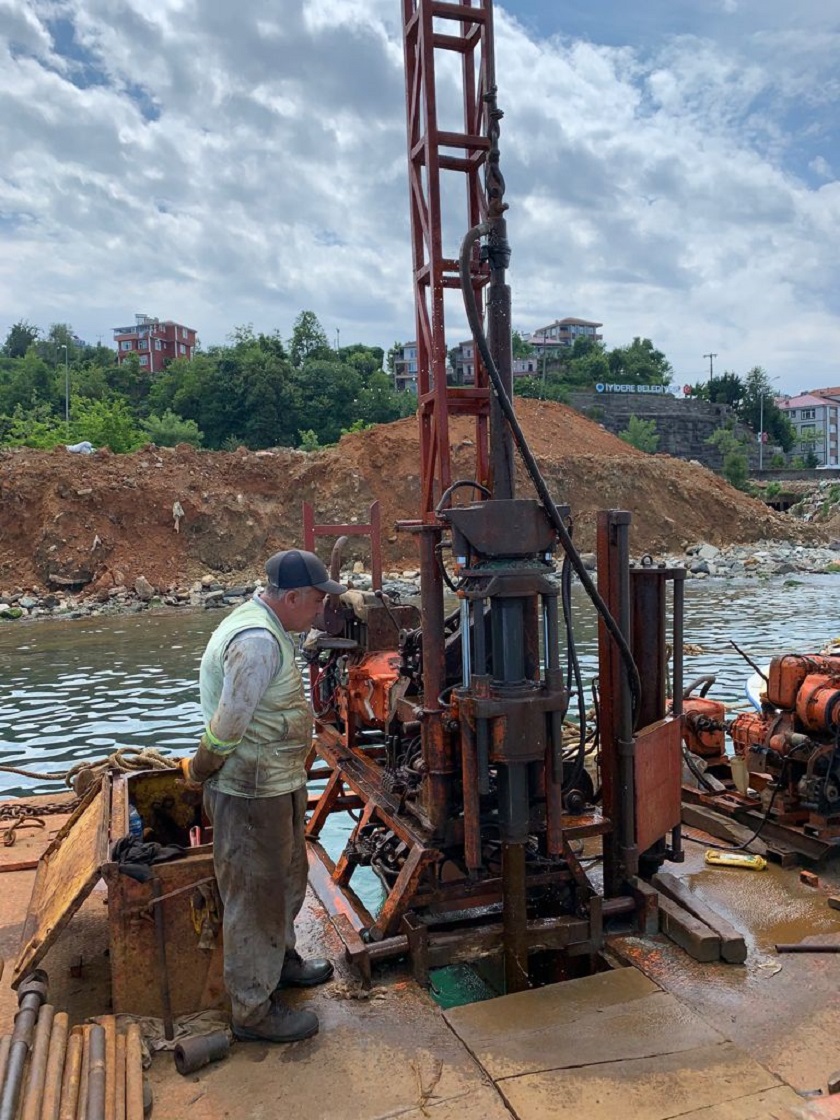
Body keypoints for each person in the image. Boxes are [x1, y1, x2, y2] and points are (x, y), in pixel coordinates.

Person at [181, 549, 346, 1043]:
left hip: (275, 784)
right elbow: (228, 726)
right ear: (291, 597)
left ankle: (281, 962)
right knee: (255, 897)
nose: (320, 612)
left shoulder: (270, 628)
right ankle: (252, 1010)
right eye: (316, 601)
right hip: (250, 793)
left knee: (286, 879)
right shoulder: (255, 642)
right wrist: (200, 769)